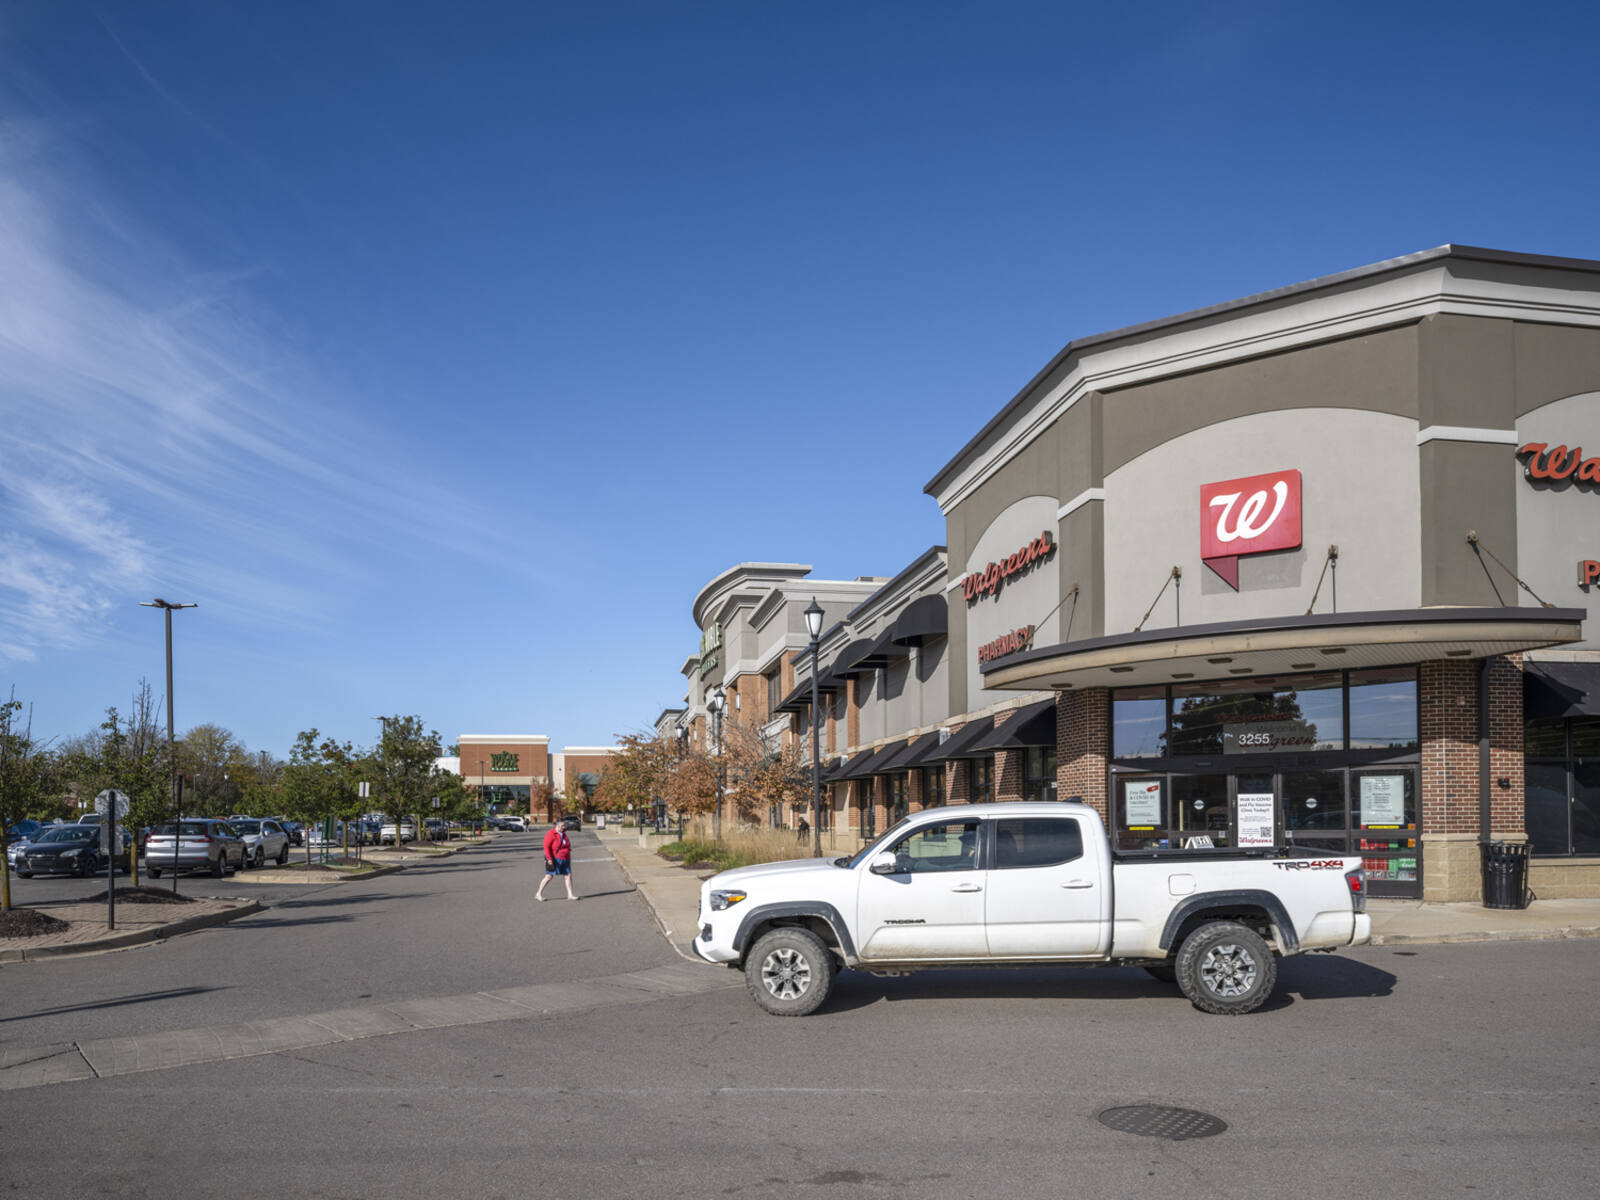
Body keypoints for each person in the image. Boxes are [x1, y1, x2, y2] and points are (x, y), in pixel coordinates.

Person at [537, 821, 576, 901]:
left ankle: (570, 895)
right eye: (562, 826)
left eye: (564, 826)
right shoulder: (551, 834)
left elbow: (566, 844)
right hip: (555, 858)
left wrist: (568, 849)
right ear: (557, 826)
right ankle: (538, 894)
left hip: (565, 858)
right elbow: (546, 847)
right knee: (549, 876)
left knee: (568, 875)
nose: (564, 827)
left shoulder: (564, 834)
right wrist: (549, 859)